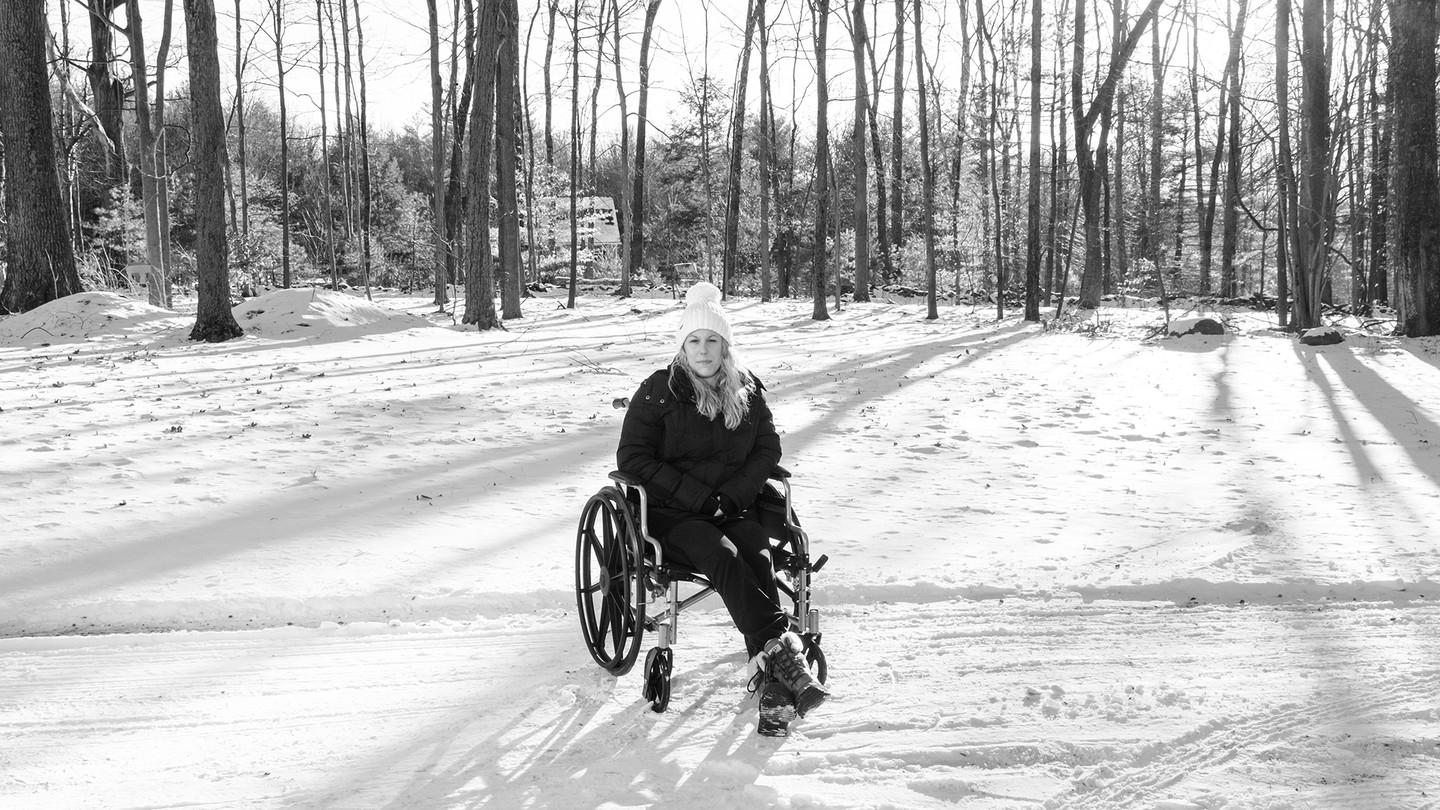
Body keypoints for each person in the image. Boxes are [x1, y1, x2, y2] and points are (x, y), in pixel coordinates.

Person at [616, 281, 829, 728]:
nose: (703, 349)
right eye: (694, 340)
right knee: (724, 555)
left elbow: (767, 451)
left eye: (712, 340)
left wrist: (730, 497)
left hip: (734, 509)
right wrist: (699, 498)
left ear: (725, 345)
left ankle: (774, 684)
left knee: (757, 552)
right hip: (673, 517)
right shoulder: (658, 391)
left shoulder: (746, 391)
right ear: (682, 345)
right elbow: (632, 459)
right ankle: (785, 652)